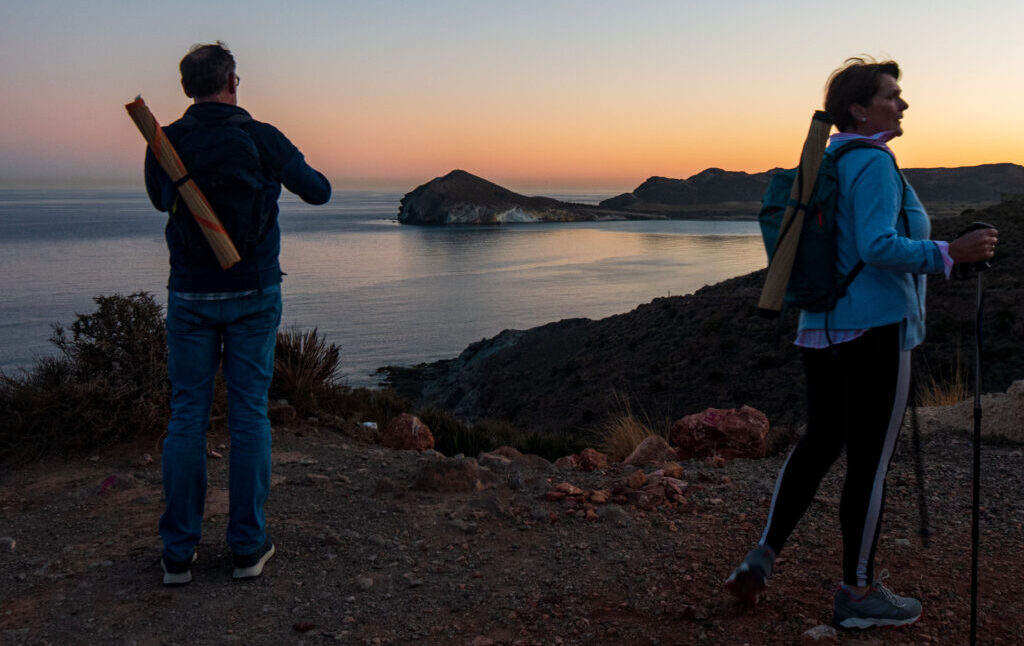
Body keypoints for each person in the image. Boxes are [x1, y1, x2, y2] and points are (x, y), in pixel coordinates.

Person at [724, 57, 998, 629]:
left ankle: (763, 554)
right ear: (859, 107)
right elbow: (877, 246)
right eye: (892, 95)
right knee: (868, 465)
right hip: (876, 330)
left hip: (820, 327)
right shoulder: (873, 161)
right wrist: (950, 253)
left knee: (818, 444)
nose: (902, 105)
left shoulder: (826, 159)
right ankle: (857, 593)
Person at [144, 42, 331, 586]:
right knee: (249, 415)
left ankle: (177, 554)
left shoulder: (165, 142)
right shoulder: (261, 137)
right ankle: (247, 548)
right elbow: (319, 192)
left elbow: (162, 201)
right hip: (253, 292)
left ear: (187, 88)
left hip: (190, 295)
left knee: (187, 417)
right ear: (233, 80)